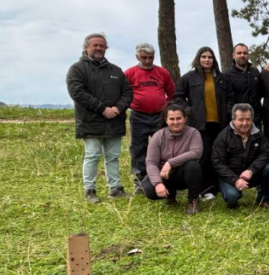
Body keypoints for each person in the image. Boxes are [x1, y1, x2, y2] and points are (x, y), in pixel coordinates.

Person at [67, 32, 134, 203]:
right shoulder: (77, 69)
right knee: (92, 155)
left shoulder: (116, 71)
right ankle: (90, 190)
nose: (99, 48)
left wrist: (118, 109)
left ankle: (116, 188)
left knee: (113, 156)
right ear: (86, 47)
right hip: (90, 122)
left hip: (114, 122)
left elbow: (127, 92)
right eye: (95, 45)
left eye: (102, 46)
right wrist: (102, 109)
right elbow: (77, 92)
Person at [173, 46, 234, 201]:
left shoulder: (221, 78)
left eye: (210, 57)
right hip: (200, 125)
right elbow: (178, 97)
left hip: (220, 124)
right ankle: (206, 188)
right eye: (204, 57)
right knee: (204, 155)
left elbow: (231, 97)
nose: (207, 60)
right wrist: (189, 110)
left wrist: (228, 112)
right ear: (198, 59)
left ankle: (220, 185)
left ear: (214, 60)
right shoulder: (189, 78)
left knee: (220, 155)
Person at [124, 42, 175, 193]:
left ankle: (166, 178)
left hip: (159, 116)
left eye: (150, 57)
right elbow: (123, 93)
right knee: (138, 148)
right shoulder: (129, 73)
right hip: (138, 116)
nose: (147, 61)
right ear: (137, 57)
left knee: (164, 147)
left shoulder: (162, 72)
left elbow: (172, 92)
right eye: (144, 57)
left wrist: (168, 109)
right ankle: (140, 181)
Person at [141, 104, 204, 215]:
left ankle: (193, 200)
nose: (176, 122)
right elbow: (151, 162)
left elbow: (196, 152)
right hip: (164, 175)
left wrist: (170, 162)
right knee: (148, 188)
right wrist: (157, 183)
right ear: (166, 120)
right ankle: (170, 196)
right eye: (172, 119)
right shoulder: (158, 136)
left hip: (183, 175)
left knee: (193, 166)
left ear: (185, 118)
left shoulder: (193, 133)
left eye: (179, 118)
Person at [211, 103, 269, 209]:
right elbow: (217, 161)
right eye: (241, 119)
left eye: (248, 119)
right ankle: (233, 197)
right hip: (230, 176)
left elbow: (266, 153)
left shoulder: (259, 134)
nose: (245, 123)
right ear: (233, 120)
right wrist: (235, 180)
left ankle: (263, 199)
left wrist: (251, 170)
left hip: (251, 174)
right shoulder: (223, 136)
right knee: (232, 196)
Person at [223, 43, 262, 127]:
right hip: (237, 121)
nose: (242, 55)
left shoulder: (255, 72)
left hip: (255, 120)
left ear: (248, 55)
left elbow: (261, 92)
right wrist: (232, 116)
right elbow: (225, 98)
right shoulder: (226, 74)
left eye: (245, 53)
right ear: (233, 55)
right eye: (239, 53)